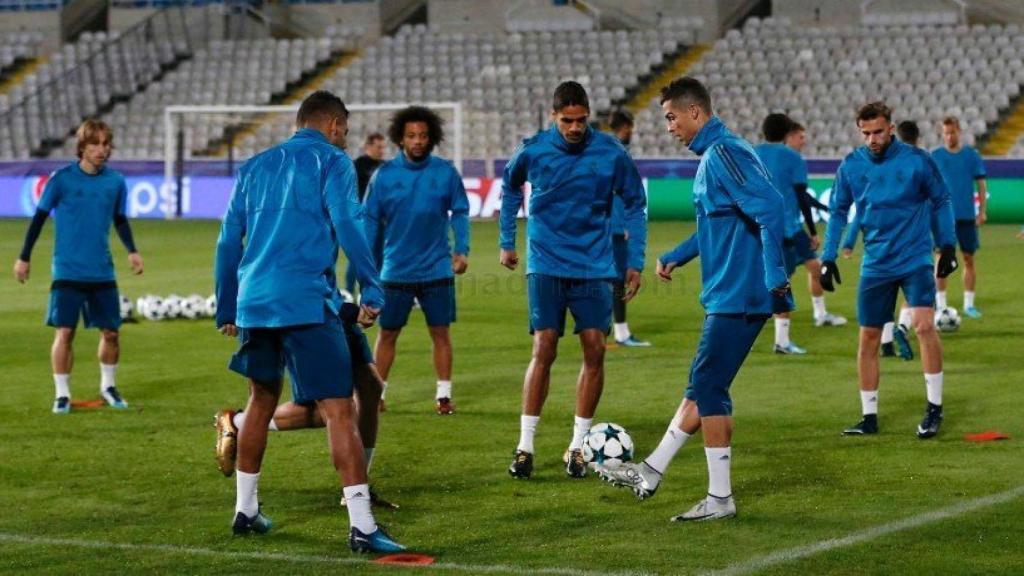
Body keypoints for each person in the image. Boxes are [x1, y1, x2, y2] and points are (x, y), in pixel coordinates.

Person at [214, 90, 403, 552]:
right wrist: (372, 289)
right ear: (335, 125)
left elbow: (226, 241)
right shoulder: (333, 163)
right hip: (304, 300)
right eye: (345, 130)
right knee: (339, 410)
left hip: (256, 301)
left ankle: (245, 510)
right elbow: (348, 224)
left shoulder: (255, 166)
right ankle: (361, 525)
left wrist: (226, 304)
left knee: (259, 401)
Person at [597, 77, 791, 522]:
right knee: (699, 386)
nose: (668, 127)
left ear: (695, 113)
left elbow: (770, 208)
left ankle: (720, 498)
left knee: (709, 389)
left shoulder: (724, 154)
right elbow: (717, 225)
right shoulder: (718, 156)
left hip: (739, 294)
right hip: (729, 291)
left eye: (671, 117)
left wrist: (775, 276)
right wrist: (677, 255)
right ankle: (650, 471)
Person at [501, 81, 647, 480]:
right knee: (544, 346)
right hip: (546, 263)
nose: (575, 128)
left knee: (595, 349)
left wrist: (634, 260)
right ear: (554, 117)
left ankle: (578, 447)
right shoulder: (533, 149)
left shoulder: (612, 153)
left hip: (595, 266)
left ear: (589, 115)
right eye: (567, 121)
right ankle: (525, 446)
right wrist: (506, 241)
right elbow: (511, 186)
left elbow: (635, 203)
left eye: (581, 120)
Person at [820, 101, 958, 440]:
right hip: (876, 264)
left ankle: (934, 409)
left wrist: (948, 245)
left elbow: (941, 200)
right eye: (865, 133)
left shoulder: (917, 161)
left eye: (878, 132)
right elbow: (837, 211)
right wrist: (828, 257)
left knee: (925, 326)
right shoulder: (852, 165)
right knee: (868, 338)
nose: (872, 139)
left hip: (915, 259)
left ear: (891, 128)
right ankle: (869, 417)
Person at [14, 119, 143, 414]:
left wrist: (132, 251)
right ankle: (62, 393)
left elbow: (119, 219)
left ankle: (108, 386)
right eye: (95, 144)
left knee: (111, 333)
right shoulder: (61, 180)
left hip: (102, 270)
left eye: (106, 144)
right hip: (68, 270)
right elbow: (38, 218)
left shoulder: (116, 182)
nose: (102, 150)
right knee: (65, 332)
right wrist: (24, 256)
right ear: (82, 147)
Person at [214, 301, 398, 509]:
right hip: (304, 313)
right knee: (335, 408)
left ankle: (359, 489)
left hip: (332, 310)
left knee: (371, 388)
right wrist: (226, 309)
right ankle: (239, 423)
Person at [363, 106, 470, 416]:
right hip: (395, 270)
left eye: (423, 135)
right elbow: (370, 220)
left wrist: (462, 249)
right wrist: (368, 263)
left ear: (432, 137)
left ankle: (444, 395)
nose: (418, 141)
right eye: (411, 135)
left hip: (437, 268)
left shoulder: (445, 172)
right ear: (400, 138)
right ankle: (376, 393)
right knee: (388, 333)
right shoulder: (384, 176)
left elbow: (460, 211)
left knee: (441, 332)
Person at [755, 113, 845, 357]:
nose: (803, 140)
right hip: (788, 229)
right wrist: (814, 230)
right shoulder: (793, 159)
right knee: (780, 282)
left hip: (764, 226)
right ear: (787, 134)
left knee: (815, 268)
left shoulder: (753, 154)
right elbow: (802, 197)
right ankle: (781, 342)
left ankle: (820, 314)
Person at [841, 119, 922, 361]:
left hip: (877, 248)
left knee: (883, 298)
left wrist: (848, 242)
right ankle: (903, 328)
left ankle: (886, 343)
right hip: (910, 244)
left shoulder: (875, 168)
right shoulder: (918, 165)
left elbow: (861, 211)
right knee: (911, 295)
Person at [931, 116, 987, 318]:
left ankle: (969, 304)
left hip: (966, 217)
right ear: (942, 134)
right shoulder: (935, 156)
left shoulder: (971, 156)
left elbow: (981, 184)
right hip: (942, 218)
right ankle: (941, 304)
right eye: (945, 133)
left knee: (968, 259)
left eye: (952, 132)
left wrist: (981, 210)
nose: (949, 136)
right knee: (940, 260)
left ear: (959, 132)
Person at [605, 110, 651, 348]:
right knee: (616, 280)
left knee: (611, 280)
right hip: (613, 228)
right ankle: (619, 333)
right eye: (630, 127)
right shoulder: (617, 153)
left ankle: (610, 330)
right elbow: (614, 192)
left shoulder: (605, 150)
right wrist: (619, 224)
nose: (631, 132)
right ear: (624, 127)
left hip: (606, 226)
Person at [345, 133, 388, 295]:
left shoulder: (385, 166)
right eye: (379, 147)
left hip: (382, 219)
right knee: (360, 255)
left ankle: (373, 291)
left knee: (379, 256)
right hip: (361, 218)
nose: (382, 150)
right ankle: (349, 291)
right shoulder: (357, 166)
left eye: (384, 147)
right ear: (368, 146)